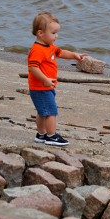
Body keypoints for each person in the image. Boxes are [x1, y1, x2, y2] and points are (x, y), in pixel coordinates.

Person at [28, 12, 87, 146]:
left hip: (46, 86)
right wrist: (44, 80)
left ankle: (41, 134)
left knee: (43, 111)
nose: (56, 36)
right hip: (41, 87)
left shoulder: (49, 46)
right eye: (53, 33)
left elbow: (61, 52)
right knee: (51, 111)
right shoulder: (37, 50)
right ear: (40, 33)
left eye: (57, 32)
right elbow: (33, 68)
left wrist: (74, 55)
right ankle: (51, 136)